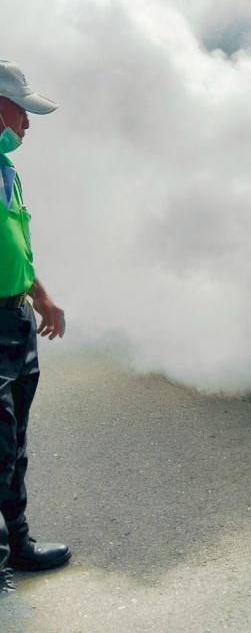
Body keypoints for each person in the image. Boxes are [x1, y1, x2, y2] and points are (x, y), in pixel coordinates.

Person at [0, 60, 70, 594]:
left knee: (13, 443)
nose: (28, 122)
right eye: (22, 110)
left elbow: (15, 248)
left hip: (16, 322)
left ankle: (18, 545)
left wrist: (41, 298)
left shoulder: (8, 172)